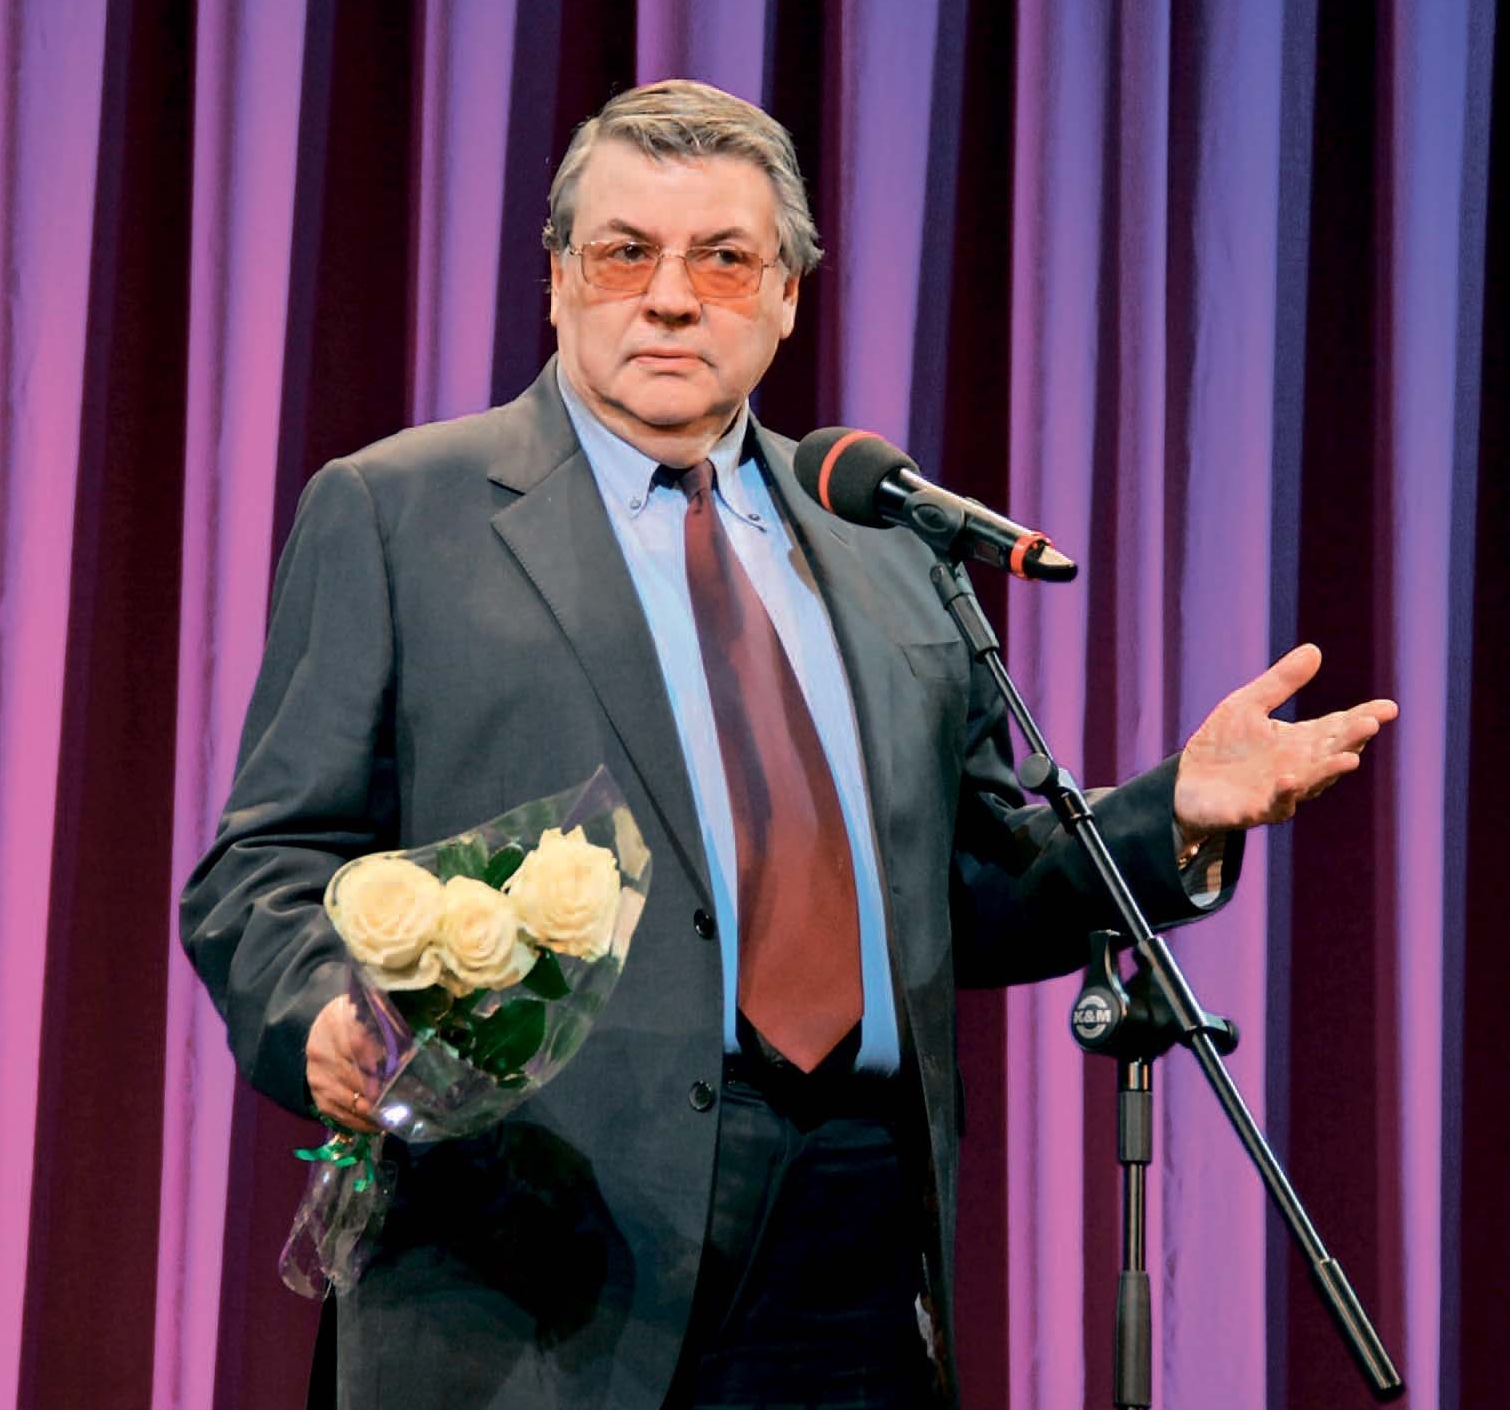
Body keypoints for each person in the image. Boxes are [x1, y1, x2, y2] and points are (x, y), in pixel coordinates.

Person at [181, 79, 1395, 1409]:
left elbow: (972, 883)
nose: (670, 298)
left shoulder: (886, 542)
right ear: (558, 280)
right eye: (625, 252)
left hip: (854, 1225)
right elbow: (268, 863)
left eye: (723, 258)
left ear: (786, 297)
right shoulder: (400, 511)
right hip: (535, 1234)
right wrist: (324, 1019)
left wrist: (1180, 812)